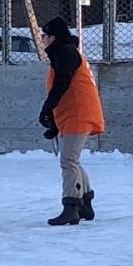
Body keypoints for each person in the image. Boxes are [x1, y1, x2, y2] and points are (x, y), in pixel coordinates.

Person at [37, 15, 104, 226]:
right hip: (74, 114)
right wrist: (55, 123)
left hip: (78, 114)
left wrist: (47, 108)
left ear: (54, 37)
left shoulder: (64, 53)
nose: (42, 40)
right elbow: (65, 88)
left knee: (68, 161)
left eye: (44, 36)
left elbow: (62, 84)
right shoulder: (65, 52)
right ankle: (85, 204)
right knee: (73, 160)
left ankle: (71, 207)